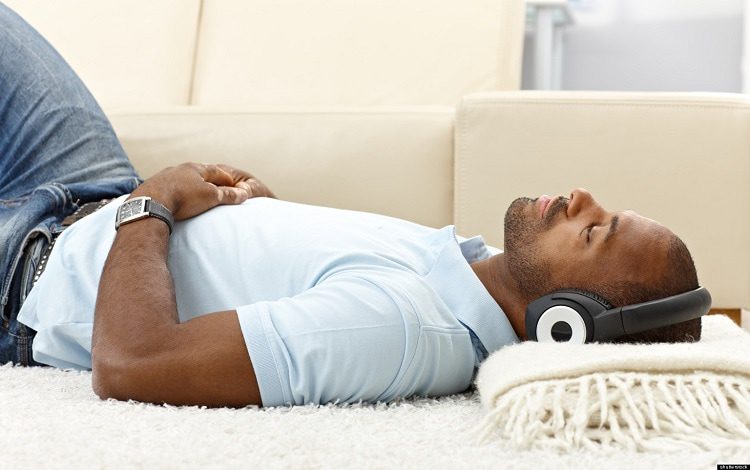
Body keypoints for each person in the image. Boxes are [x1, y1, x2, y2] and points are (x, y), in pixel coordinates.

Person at [0, 4, 700, 409]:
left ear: (566, 323)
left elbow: (134, 366)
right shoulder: (467, 275)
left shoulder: (401, 330)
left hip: (28, 272)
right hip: (89, 190)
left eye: (595, 230)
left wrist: (150, 206)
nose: (580, 197)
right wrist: (254, 215)